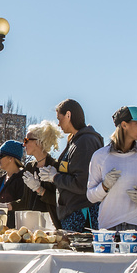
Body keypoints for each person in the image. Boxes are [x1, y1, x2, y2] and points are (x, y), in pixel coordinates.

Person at [86, 106, 137, 243]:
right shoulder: (100, 156)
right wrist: (104, 186)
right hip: (109, 229)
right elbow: (91, 196)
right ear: (124, 125)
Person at [39, 99, 103, 232]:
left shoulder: (85, 141)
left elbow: (82, 183)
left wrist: (55, 177)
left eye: (59, 119)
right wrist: (54, 169)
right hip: (74, 212)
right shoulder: (76, 140)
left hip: (82, 214)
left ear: (68, 115)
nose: (58, 124)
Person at [20, 121, 62, 225]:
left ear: (38, 142)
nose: (23, 144)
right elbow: (24, 201)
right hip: (31, 224)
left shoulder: (55, 166)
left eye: (26, 140)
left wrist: (40, 190)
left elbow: (61, 201)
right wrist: (4, 206)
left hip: (51, 224)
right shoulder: (29, 167)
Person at [0, 140, 31, 226]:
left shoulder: (24, 178)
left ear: (11, 158)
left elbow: (25, 203)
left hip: (17, 228)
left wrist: (5, 206)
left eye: (1, 156)